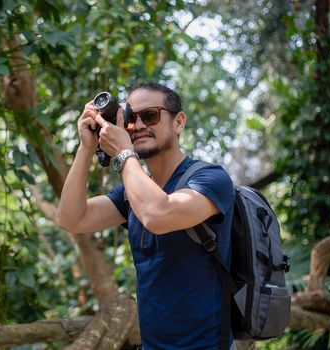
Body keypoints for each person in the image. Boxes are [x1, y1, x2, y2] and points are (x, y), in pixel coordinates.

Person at [56, 82, 236, 350]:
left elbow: (158, 215)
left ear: (179, 122)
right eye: (131, 118)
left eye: (150, 115)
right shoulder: (132, 193)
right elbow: (71, 219)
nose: (138, 125)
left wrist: (124, 153)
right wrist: (86, 148)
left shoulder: (210, 178)